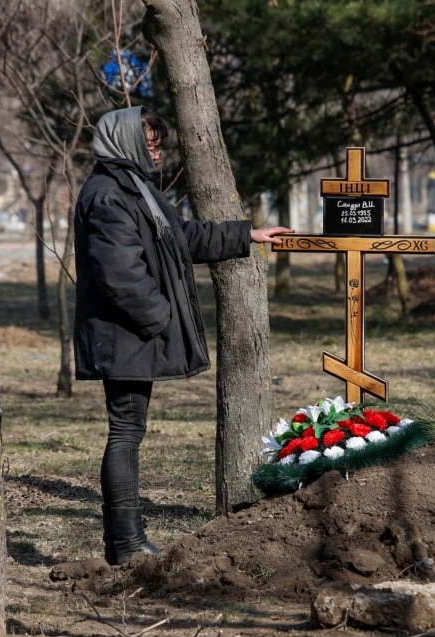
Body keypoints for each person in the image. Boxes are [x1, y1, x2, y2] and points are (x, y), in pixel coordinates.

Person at [73, 106, 292, 565]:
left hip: (131, 335)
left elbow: (183, 237)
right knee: (125, 431)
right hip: (125, 336)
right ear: (123, 140)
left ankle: (122, 545)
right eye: (149, 140)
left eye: (157, 141)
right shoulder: (109, 194)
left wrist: (248, 235)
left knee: (128, 431)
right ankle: (128, 545)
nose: (156, 149)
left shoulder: (137, 190)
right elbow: (119, 275)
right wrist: (159, 318)